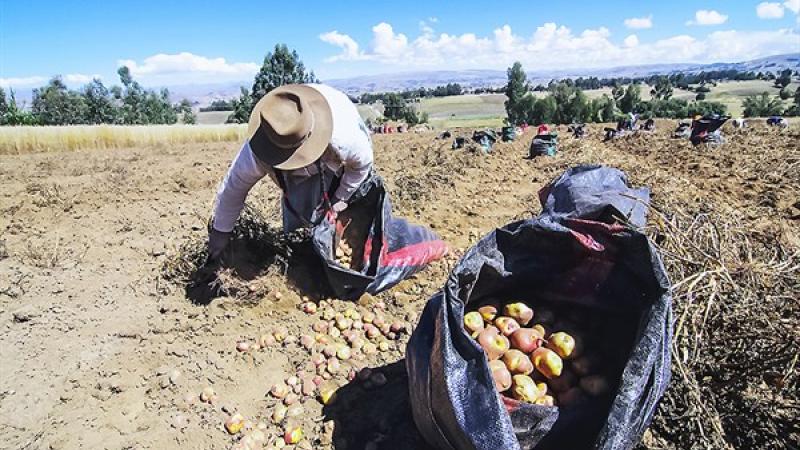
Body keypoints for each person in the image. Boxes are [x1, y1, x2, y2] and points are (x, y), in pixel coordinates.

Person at [206, 84, 373, 263]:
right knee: (300, 215)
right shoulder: (259, 148)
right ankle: (304, 253)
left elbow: (361, 166)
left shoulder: (344, 139)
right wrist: (220, 233)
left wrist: (341, 198)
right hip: (297, 168)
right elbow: (233, 190)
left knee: (350, 207)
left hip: (336, 159)